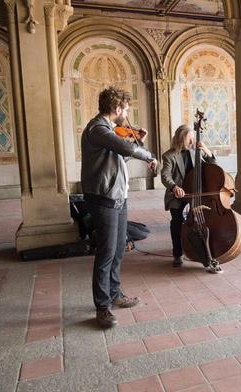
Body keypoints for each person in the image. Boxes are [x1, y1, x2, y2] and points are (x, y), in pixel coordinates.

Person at [81, 86, 157, 328]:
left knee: (118, 250)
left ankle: (114, 293)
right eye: (125, 107)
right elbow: (125, 148)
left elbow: (119, 157)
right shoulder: (98, 128)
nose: (126, 112)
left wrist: (135, 140)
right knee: (105, 252)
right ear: (116, 108)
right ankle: (102, 308)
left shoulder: (110, 130)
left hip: (118, 196)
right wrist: (148, 155)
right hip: (104, 197)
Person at [161, 124, 222, 273]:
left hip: (196, 193)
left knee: (203, 220)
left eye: (194, 138)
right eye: (190, 138)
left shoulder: (194, 152)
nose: (193, 141)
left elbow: (213, 166)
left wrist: (206, 150)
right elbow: (165, 176)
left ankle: (205, 249)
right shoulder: (169, 156)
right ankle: (177, 253)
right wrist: (174, 187)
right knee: (177, 222)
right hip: (178, 194)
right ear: (182, 138)